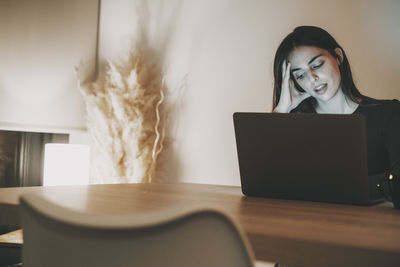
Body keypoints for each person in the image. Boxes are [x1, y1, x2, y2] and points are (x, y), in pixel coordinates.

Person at [272, 26, 400, 177]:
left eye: (317, 65)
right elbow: (265, 179)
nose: (312, 78)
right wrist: (281, 111)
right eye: (300, 75)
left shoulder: (388, 114)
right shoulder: (294, 124)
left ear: (338, 56)